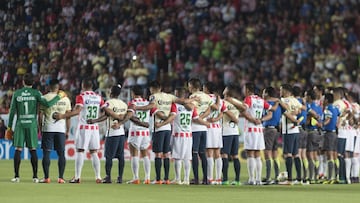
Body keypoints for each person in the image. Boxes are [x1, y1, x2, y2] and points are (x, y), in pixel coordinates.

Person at [6, 73, 63, 183]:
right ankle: (35, 177)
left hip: (20, 124)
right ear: (33, 82)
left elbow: (12, 112)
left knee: (18, 149)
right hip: (32, 124)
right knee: (33, 149)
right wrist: (58, 97)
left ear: (23, 82)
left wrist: (9, 127)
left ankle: (16, 176)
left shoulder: (17, 93)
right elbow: (47, 104)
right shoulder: (37, 93)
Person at [54, 78, 105, 183]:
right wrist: (97, 120)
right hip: (95, 127)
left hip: (84, 127)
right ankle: (98, 177)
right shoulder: (98, 97)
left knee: (80, 151)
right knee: (94, 152)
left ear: (83, 85)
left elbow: (77, 111)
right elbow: (105, 112)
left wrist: (62, 115)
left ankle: (77, 177)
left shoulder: (81, 97)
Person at [157, 87, 208, 185]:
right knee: (187, 158)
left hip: (178, 134)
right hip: (189, 135)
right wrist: (206, 124)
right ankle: (186, 179)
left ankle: (177, 179)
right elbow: (196, 118)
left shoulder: (174, 105)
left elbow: (172, 116)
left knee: (177, 157)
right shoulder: (192, 106)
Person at [87, 84, 128, 184]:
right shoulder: (123, 104)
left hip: (112, 133)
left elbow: (106, 114)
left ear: (111, 92)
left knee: (109, 156)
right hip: (121, 132)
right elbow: (124, 116)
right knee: (121, 156)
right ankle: (120, 177)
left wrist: (95, 120)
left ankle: (108, 177)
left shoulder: (109, 103)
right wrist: (120, 120)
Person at [39, 79, 71, 184]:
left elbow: (40, 115)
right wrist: (67, 130)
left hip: (48, 128)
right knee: (61, 154)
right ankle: (61, 178)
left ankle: (46, 178)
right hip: (61, 130)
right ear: (58, 87)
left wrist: (40, 128)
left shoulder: (44, 97)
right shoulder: (65, 99)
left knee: (46, 153)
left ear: (49, 87)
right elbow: (68, 116)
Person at [242, 82, 272, 185]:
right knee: (258, 154)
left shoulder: (248, 99)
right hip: (259, 130)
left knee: (250, 153)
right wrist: (262, 119)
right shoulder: (261, 100)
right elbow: (271, 112)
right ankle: (258, 179)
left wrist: (252, 119)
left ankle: (251, 179)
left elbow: (243, 111)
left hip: (251, 128)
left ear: (247, 90)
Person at [187, 78, 214, 184]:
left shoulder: (193, 97)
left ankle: (196, 179)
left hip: (195, 128)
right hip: (204, 129)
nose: (188, 87)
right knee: (203, 154)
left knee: (194, 153)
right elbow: (212, 108)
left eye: (189, 85)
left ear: (193, 86)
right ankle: (206, 179)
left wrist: (200, 119)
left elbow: (193, 113)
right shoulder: (206, 96)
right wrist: (203, 118)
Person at [126, 85, 154, 184]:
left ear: (133, 93)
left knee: (134, 155)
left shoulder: (132, 103)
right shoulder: (147, 103)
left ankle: (136, 177)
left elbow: (130, 116)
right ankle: (147, 178)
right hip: (145, 132)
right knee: (145, 155)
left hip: (135, 131)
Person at [278, 84, 303, 185]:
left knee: (288, 154)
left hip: (288, 130)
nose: (280, 92)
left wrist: (292, 118)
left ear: (285, 91)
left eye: (280, 90)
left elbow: (285, 112)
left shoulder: (283, 101)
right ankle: (299, 178)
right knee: (296, 154)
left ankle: (289, 180)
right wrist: (295, 113)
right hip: (296, 131)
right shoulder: (295, 100)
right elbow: (300, 110)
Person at [203, 81, 226, 185]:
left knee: (209, 153)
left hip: (209, 126)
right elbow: (223, 112)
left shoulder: (206, 98)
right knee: (218, 153)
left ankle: (210, 178)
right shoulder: (219, 99)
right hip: (217, 127)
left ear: (207, 88)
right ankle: (218, 179)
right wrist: (216, 118)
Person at [221, 84, 243, 185]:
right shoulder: (237, 102)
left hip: (226, 131)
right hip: (235, 132)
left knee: (224, 155)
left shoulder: (222, 102)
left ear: (227, 91)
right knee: (235, 156)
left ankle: (225, 179)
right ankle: (237, 180)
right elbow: (244, 108)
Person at [262, 86, 282, 184]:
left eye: (263, 92)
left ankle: (268, 177)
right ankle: (277, 176)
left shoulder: (267, 104)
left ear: (267, 94)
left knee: (267, 153)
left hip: (269, 130)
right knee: (275, 153)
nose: (262, 95)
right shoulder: (278, 104)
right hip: (276, 130)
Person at [305, 89, 323, 184]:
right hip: (317, 132)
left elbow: (309, 120)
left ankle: (311, 177)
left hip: (310, 131)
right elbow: (320, 119)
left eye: (305, 95)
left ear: (308, 97)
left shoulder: (309, 106)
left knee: (309, 155)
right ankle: (316, 175)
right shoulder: (319, 107)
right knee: (315, 155)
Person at [322, 93, 340, 184]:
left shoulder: (328, 108)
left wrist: (321, 124)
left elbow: (328, 119)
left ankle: (329, 178)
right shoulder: (336, 108)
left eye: (324, 98)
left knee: (330, 156)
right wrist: (337, 124)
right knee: (335, 155)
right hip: (335, 133)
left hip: (329, 134)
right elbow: (339, 116)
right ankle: (336, 177)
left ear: (327, 100)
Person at [293, 86, 308, 184]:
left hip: (297, 129)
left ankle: (299, 177)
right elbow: (305, 114)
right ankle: (305, 177)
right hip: (304, 129)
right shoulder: (303, 102)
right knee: (303, 155)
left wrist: (297, 121)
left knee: (297, 154)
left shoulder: (294, 102)